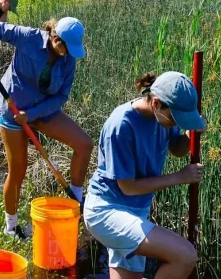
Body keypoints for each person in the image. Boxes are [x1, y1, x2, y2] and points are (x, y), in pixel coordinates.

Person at [83, 71, 207, 279]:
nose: (176, 123)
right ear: (156, 103)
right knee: (185, 256)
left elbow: (177, 149)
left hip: (136, 211)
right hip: (106, 212)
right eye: (175, 118)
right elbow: (128, 187)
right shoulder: (121, 125)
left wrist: (190, 134)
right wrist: (179, 177)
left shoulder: (162, 118)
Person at [0, 17, 93, 239]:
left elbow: (61, 96)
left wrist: (32, 115)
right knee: (18, 170)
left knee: (85, 144)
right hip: (13, 109)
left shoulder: (68, 60)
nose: (68, 54)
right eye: (66, 48)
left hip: (41, 110)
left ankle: (75, 203)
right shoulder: (29, 37)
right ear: (56, 39)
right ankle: (11, 227)